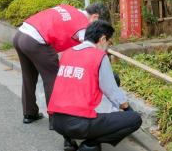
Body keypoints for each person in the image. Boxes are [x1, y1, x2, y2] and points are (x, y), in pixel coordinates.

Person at [48, 20, 142, 151]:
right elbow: (112, 91)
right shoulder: (98, 56)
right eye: (109, 43)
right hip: (79, 123)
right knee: (134, 119)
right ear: (103, 39)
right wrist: (127, 109)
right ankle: (90, 144)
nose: (108, 47)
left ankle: (69, 139)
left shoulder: (67, 53)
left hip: (56, 121)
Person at [13, 2, 109, 125]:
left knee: (29, 77)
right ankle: (56, 120)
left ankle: (29, 113)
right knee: (53, 79)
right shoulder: (83, 26)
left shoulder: (68, 8)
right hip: (36, 41)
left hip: (20, 34)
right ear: (95, 17)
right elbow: (89, 50)